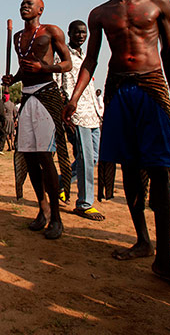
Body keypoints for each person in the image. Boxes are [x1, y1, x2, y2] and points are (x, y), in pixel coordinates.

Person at [63, 0, 170, 292]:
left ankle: (166, 259)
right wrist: (75, 96)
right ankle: (143, 241)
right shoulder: (100, 14)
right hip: (119, 90)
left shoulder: (158, 4)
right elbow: (92, 59)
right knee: (129, 169)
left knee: (158, 171)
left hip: (152, 87)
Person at [3, 0, 72, 240]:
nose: (24, 6)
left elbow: (67, 64)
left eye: (29, 4)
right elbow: (25, 68)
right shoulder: (17, 37)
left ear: (41, 9)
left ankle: (56, 216)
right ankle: (41, 208)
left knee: (44, 156)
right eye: (22, 3)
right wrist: (14, 79)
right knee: (29, 156)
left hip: (46, 94)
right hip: (27, 97)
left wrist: (45, 69)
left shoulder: (51, 31)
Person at [60, 20, 104, 221]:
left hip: (93, 113)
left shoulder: (87, 57)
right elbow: (58, 84)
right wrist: (66, 111)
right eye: (76, 32)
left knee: (93, 157)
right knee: (85, 158)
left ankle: (59, 182)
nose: (81, 36)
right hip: (76, 112)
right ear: (69, 33)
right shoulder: (63, 56)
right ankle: (85, 204)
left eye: (83, 32)